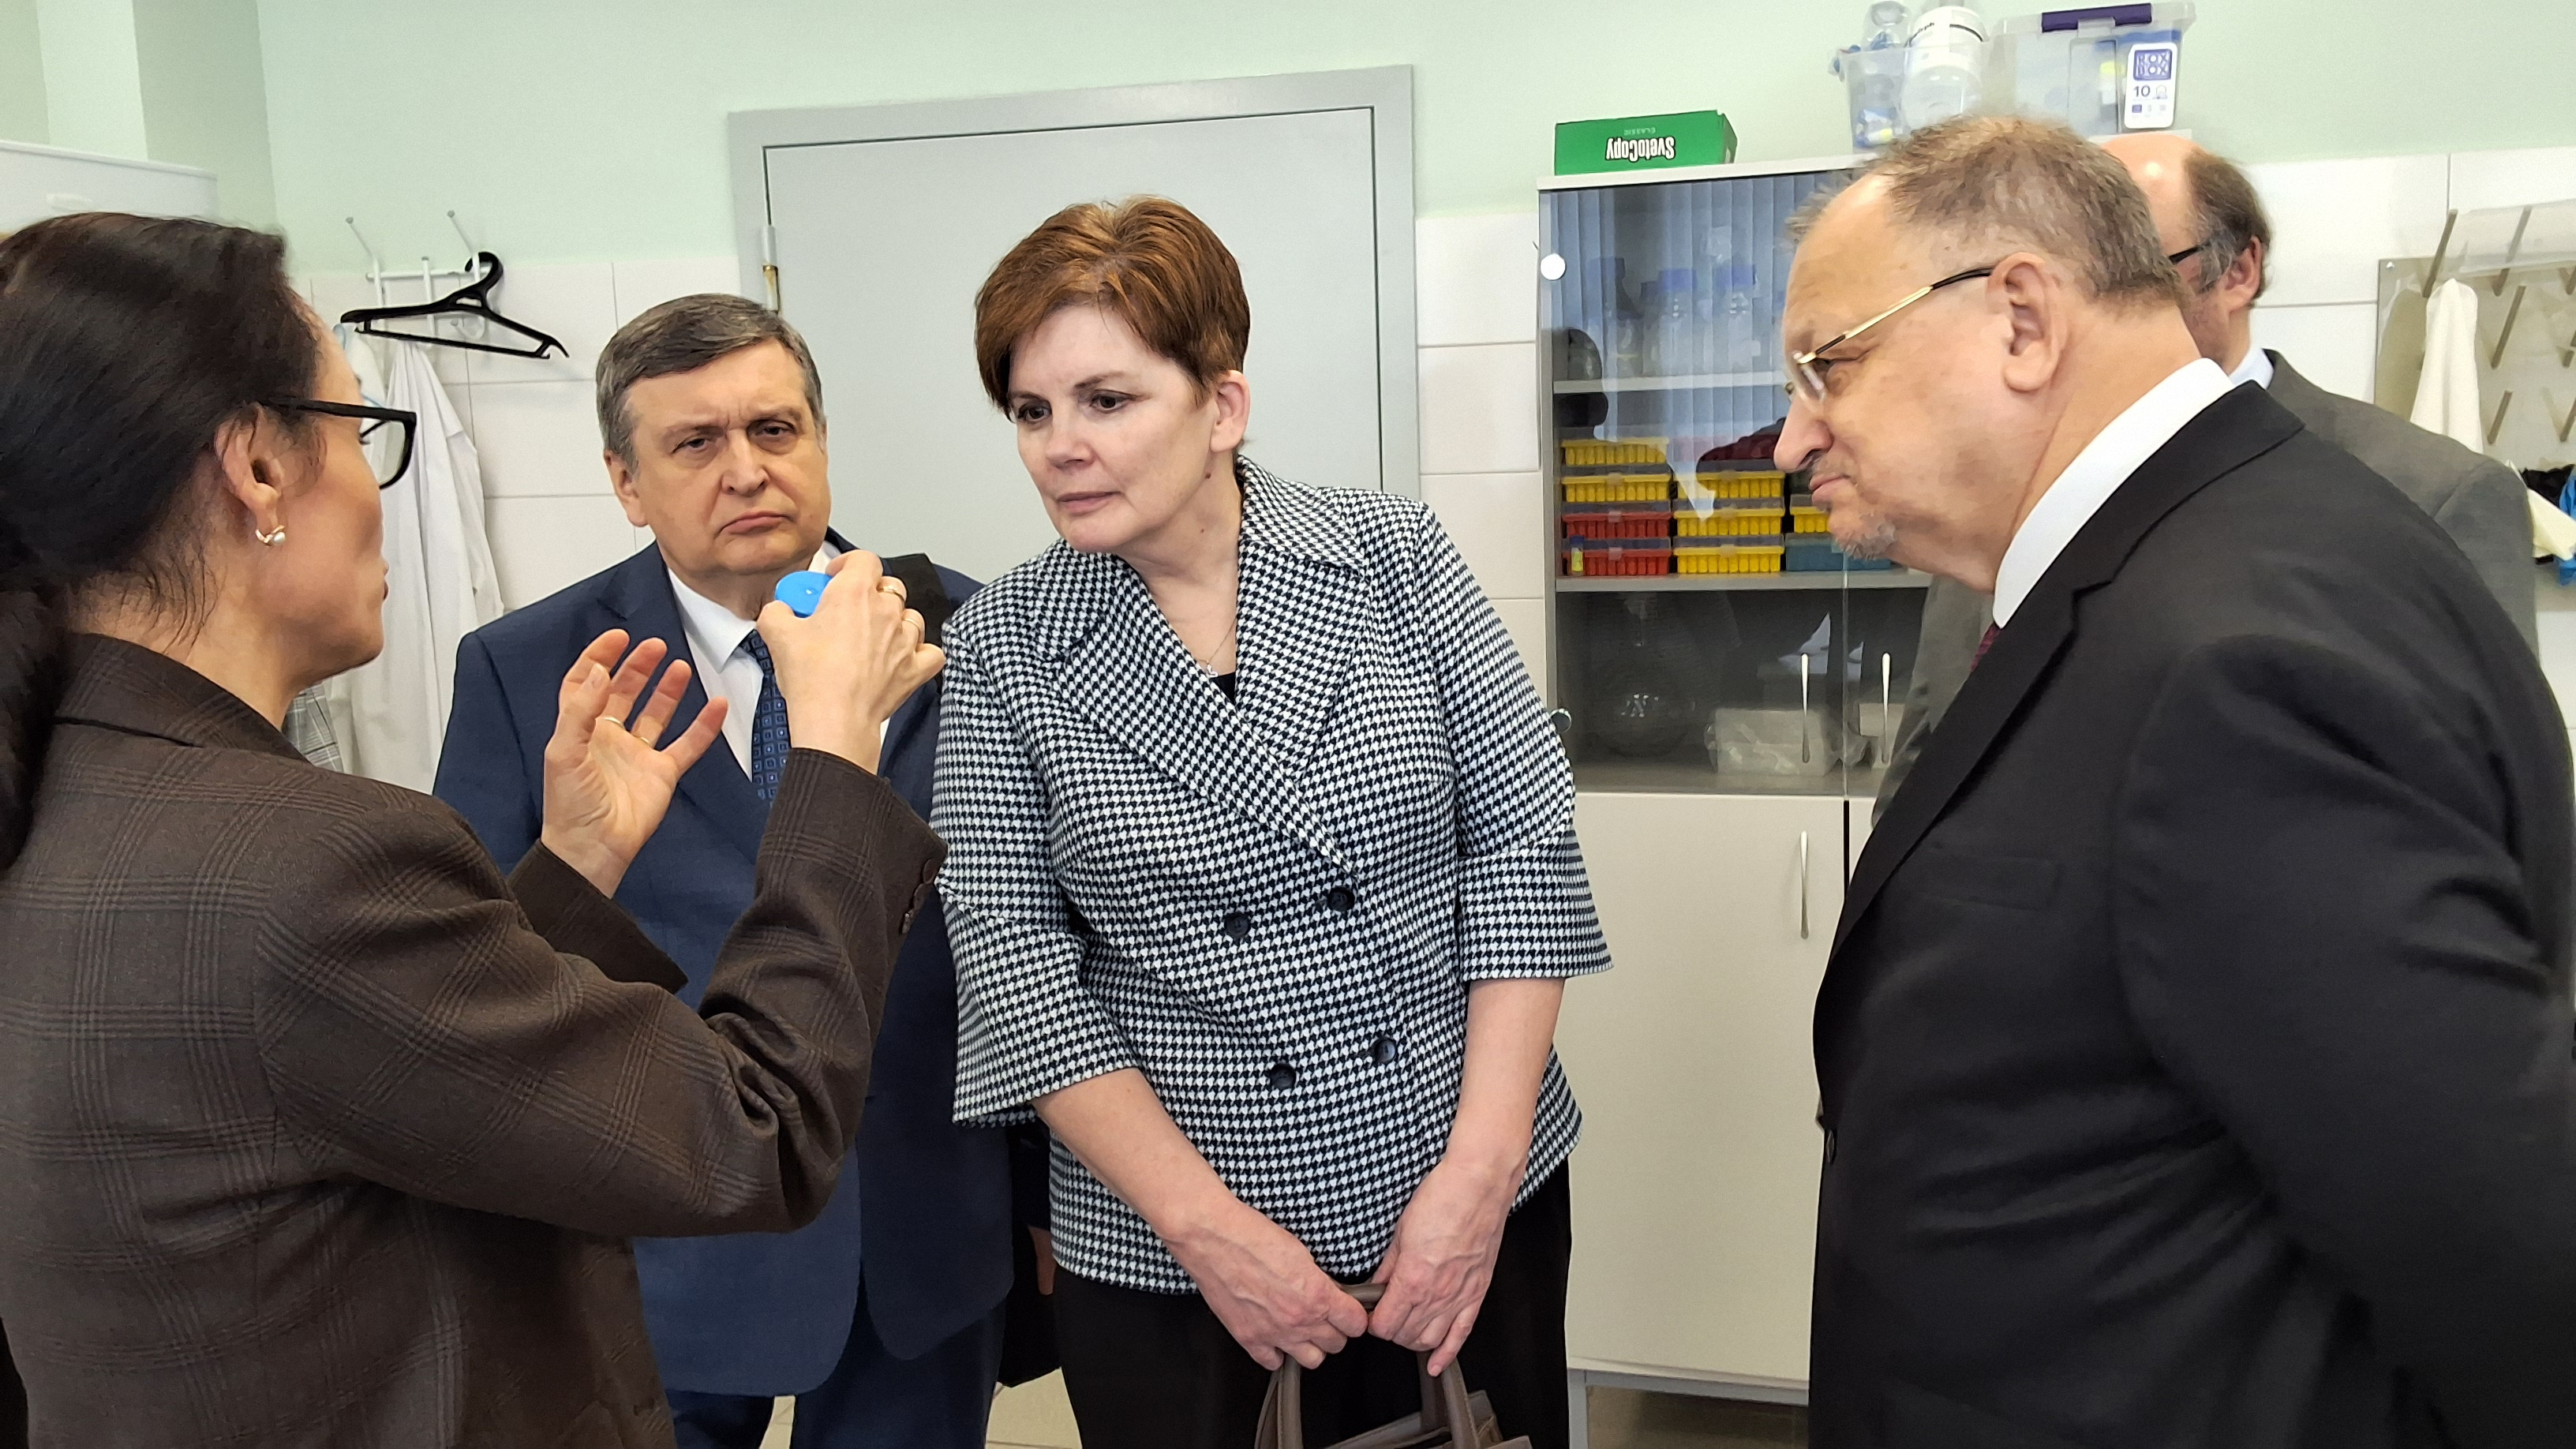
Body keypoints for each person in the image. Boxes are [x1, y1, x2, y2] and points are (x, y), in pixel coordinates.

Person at [0, 215, 946, 1446]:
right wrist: (833, 756)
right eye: (360, 431)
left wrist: (575, 872)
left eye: (776, 430)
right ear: (260, 470)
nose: (374, 493)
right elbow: (749, 1134)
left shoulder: (67, 796)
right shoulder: (310, 858)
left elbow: (410, 1065)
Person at [1781, 115, 2576, 1447]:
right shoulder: (2168, 554)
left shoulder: (2239, 651)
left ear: (2021, 320)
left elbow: (2493, 1246)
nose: (1792, 437)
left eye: (1829, 365)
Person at [933, 196, 1610, 1449]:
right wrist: (1211, 1235)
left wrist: (1478, 1180)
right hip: (1174, 1251)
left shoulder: (1392, 554)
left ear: (1223, 407)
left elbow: (1523, 848)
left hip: (1457, 1191)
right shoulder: (1001, 645)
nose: (1059, 447)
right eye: (1030, 411)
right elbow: (1015, 968)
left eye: (1107, 400)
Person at [435, 294, 1020, 1449]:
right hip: (664, 1237)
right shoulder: (533, 668)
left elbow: (1045, 938)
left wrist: (1047, 1203)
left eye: (774, 429)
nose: (746, 470)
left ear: (821, 441)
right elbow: (482, 970)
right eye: (696, 442)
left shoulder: (969, 629)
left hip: (917, 1228)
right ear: (626, 481)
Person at [1878, 132, 2538, 807]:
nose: (2082, 315)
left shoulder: (2432, 491)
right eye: (2063, 282)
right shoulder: (1999, 498)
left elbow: (2492, 801)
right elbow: (1923, 771)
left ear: (2238, 271)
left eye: (2136, 272)